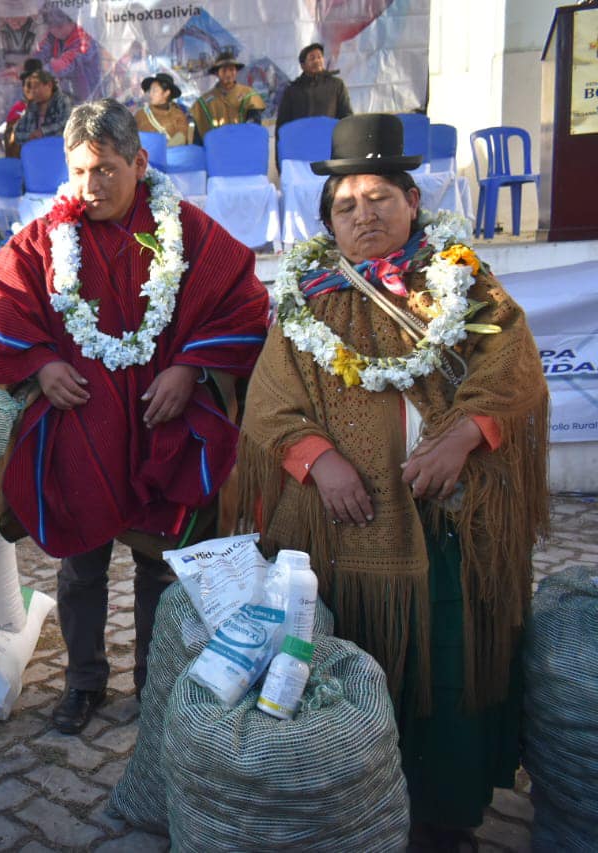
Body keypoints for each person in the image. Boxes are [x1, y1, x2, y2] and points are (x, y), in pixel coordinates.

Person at [235, 114, 548, 850]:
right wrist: (320, 458)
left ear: (412, 202)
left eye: (379, 197)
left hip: (451, 520)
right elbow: (269, 403)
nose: (364, 213)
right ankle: (359, 808)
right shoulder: (303, 299)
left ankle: (446, 818)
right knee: (361, 669)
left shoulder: (463, 281)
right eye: (346, 204)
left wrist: (466, 437)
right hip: (348, 532)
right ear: (329, 221)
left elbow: (515, 371)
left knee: (447, 669)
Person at [0, 100, 268, 735]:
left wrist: (190, 368)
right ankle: (84, 681)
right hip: (80, 428)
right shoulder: (45, 236)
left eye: (107, 169)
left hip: (158, 429)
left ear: (140, 164)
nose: (92, 187)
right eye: (81, 170)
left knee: (156, 563)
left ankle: (153, 680)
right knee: (81, 563)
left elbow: (243, 300)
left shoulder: (186, 230)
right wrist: (37, 364)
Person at [275, 43, 352, 133]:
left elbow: (346, 117)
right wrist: (281, 146)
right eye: (312, 58)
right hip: (302, 142)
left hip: (329, 141)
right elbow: (283, 124)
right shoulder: (292, 90)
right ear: (303, 66)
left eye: (319, 57)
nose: (317, 61)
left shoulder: (336, 85)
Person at [190, 51, 265, 144]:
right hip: (217, 150)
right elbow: (198, 139)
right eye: (224, 71)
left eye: (231, 69)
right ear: (217, 73)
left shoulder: (249, 94)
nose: (228, 74)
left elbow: (254, 126)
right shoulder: (204, 102)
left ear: (236, 71)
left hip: (243, 146)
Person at [33, 7, 101, 103]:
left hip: (89, 95)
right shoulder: (52, 36)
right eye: (51, 26)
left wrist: (41, 71)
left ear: (73, 21)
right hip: (67, 95)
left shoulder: (84, 39)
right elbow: (41, 52)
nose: (55, 30)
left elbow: (67, 63)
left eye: (60, 26)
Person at [7, 68, 72, 158]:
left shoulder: (62, 101)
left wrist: (43, 132)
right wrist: (30, 136)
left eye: (36, 86)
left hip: (58, 156)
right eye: (31, 87)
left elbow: (67, 123)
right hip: (35, 156)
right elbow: (18, 132)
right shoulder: (32, 106)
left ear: (49, 85)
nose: (33, 91)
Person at [133, 72, 189, 147]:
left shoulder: (178, 115)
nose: (150, 94)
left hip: (172, 156)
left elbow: (181, 138)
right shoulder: (141, 115)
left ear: (166, 93)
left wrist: (162, 152)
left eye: (155, 91)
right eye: (150, 91)